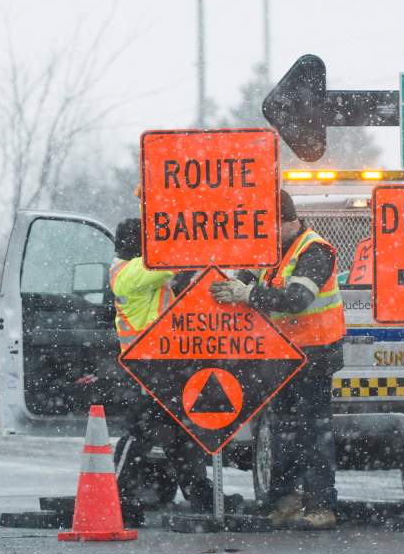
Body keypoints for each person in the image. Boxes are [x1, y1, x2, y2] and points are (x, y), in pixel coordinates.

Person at [209, 189, 346, 529]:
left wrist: (249, 294)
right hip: (281, 356)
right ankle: (283, 501)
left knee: (313, 432)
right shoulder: (270, 250)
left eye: (268, 226)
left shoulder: (314, 250)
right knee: (281, 432)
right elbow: (244, 279)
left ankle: (321, 506)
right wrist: (226, 285)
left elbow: (297, 299)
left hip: (315, 355)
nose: (263, 235)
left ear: (288, 221)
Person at [109, 217, 238, 512]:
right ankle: (118, 498)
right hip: (145, 366)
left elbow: (172, 280)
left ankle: (202, 497)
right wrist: (198, 239)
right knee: (142, 433)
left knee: (182, 434)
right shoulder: (127, 273)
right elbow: (167, 264)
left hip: (163, 363)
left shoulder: (138, 270)